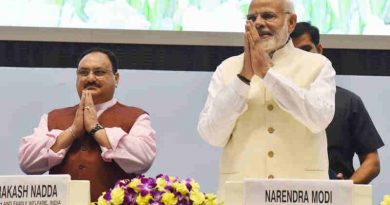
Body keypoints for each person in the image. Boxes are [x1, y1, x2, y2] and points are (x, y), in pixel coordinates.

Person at [197, 0, 336, 200]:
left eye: (268, 16)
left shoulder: (318, 65)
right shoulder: (227, 68)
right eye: (252, 18)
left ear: (291, 22)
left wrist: (267, 74)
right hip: (241, 195)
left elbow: (318, 119)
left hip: (301, 195)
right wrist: (243, 77)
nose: (259, 23)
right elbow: (211, 135)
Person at [18, 48, 157, 201]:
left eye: (99, 72)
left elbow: (142, 160)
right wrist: (72, 131)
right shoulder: (52, 117)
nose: (90, 78)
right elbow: (27, 163)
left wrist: (96, 129)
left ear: (116, 78)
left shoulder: (136, 117)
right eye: (83, 73)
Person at [291, 22, 384, 184]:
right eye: (294, 53)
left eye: (306, 50)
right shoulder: (272, 100)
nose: (302, 58)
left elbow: (372, 162)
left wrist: (345, 189)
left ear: (319, 50)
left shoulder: (349, 102)